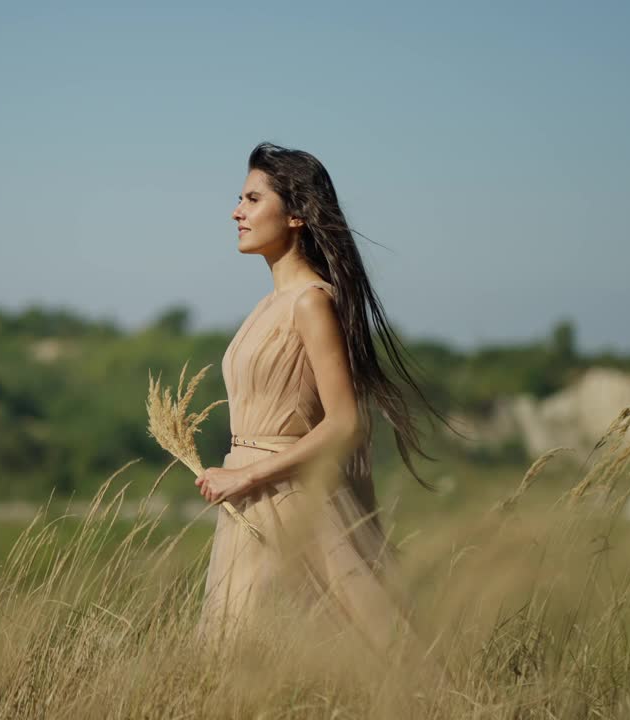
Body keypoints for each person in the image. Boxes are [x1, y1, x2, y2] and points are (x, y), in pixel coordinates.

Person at [193, 142, 452, 661]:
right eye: (238, 199)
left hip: (288, 501)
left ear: (294, 215)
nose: (235, 212)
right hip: (249, 501)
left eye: (251, 199)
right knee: (235, 666)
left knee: (348, 657)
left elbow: (344, 424)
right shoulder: (269, 304)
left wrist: (246, 475)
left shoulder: (312, 302)